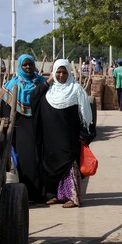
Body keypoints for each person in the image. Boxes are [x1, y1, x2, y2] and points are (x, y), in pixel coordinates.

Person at [31, 59, 95, 208]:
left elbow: (85, 114)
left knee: (68, 164)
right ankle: (54, 195)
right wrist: (48, 81)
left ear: (69, 73)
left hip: (69, 137)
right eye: (58, 72)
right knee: (50, 165)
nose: (61, 75)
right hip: (50, 137)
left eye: (64, 72)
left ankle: (73, 197)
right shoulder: (48, 90)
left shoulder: (76, 89)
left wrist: (84, 133)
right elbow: (33, 97)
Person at [0, 54, 47, 201]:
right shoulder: (10, 86)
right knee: (26, 159)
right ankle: (27, 193)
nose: (28, 67)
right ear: (20, 66)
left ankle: (42, 194)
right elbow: (5, 112)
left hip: (40, 126)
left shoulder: (42, 83)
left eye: (30, 64)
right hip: (21, 128)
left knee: (41, 158)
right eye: (25, 65)